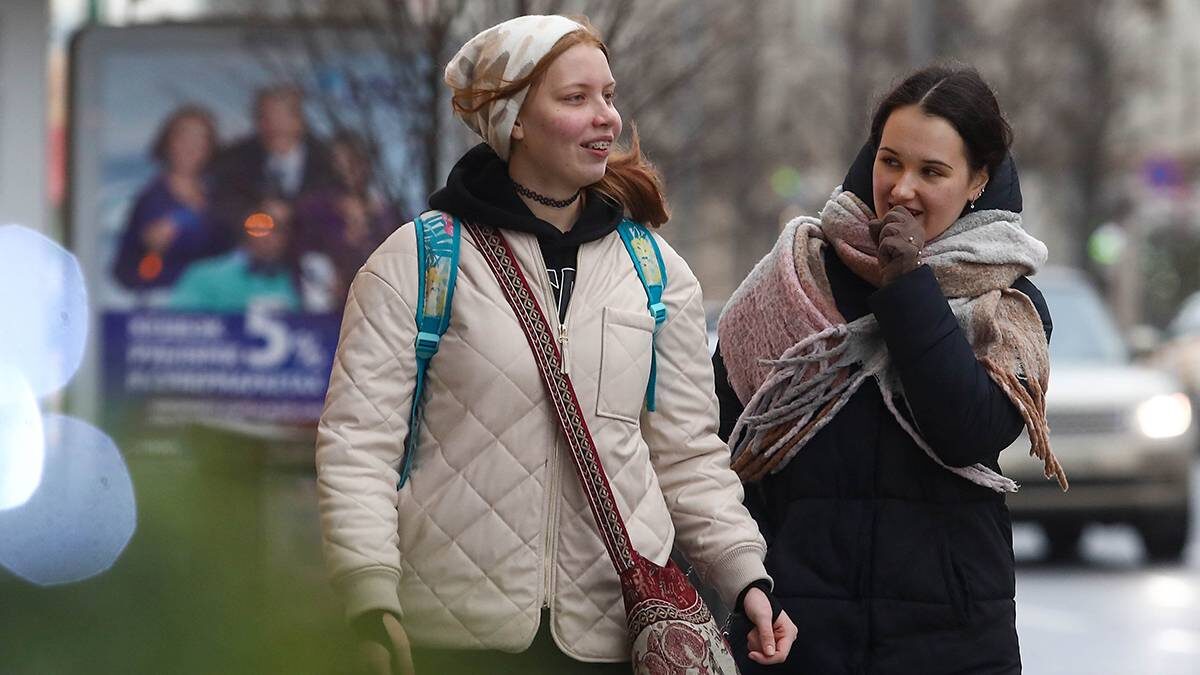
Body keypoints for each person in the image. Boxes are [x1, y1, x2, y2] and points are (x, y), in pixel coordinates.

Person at [315, 14, 796, 675]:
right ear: (513, 119)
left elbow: (687, 459)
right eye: (576, 99)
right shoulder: (421, 259)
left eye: (608, 94)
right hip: (452, 636)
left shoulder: (656, 272)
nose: (606, 116)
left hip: (616, 637)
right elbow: (356, 446)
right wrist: (370, 596)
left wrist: (747, 578)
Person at [713, 64, 1065, 674]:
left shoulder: (1006, 305)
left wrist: (908, 287)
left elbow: (965, 431)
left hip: (949, 642)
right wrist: (752, 587)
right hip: (801, 635)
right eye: (890, 161)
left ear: (978, 179)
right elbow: (719, 446)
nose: (902, 188)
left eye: (932, 172)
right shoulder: (796, 276)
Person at [210, 84, 336, 250]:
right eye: (266, 118)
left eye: (282, 118)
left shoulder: (328, 161)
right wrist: (257, 219)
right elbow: (224, 209)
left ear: (300, 121)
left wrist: (293, 215)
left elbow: (334, 208)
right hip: (251, 257)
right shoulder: (234, 160)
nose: (275, 127)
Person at [112, 105, 223, 293]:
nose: (191, 146)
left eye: (200, 138)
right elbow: (130, 268)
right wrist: (153, 251)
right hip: (163, 308)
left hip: (217, 304)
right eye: (184, 137)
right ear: (167, 143)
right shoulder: (151, 199)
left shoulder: (221, 198)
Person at [295, 130, 399, 303]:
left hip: (374, 305)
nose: (347, 170)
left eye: (354, 162)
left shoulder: (384, 213)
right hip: (323, 311)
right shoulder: (314, 210)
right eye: (339, 163)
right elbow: (302, 256)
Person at [167, 200, 301, 313]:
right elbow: (178, 329)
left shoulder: (293, 281)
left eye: (282, 229)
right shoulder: (203, 275)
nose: (272, 237)